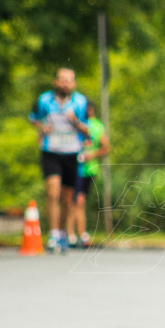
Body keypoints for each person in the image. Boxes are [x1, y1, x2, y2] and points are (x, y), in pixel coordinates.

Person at [30, 68, 90, 253]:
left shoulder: (80, 102)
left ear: (73, 84)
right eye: (62, 80)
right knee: (52, 192)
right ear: (55, 82)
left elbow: (88, 130)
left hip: (71, 153)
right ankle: (53, 233)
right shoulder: (44, 100)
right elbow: (33, 118)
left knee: (67, 198)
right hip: (51, 151)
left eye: (69, 80)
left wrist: (75, 122)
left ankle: (63, 233)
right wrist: (42, 127)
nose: (65, 83)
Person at [68, 101, 109, 248]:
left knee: (78, 201)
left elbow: (106, 147)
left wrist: (92, 155)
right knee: (76, 200)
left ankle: (77, 234)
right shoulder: (79, 123)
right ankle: (73, 234)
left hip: (88, 169)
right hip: (77, 167)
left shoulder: (95, 125)